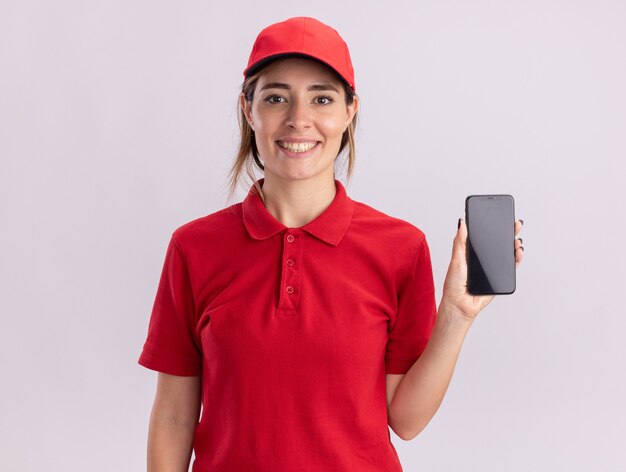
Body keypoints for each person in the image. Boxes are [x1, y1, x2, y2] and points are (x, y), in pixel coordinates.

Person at [138, 16, 524, 472]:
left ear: (349, 110)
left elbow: (405, 420)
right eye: (276, 97)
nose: (299, 119)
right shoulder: (193, 248)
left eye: (322, 98)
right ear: (248, 109)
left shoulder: (400, 247)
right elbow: (174, 414)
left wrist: (457, 316)